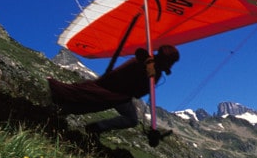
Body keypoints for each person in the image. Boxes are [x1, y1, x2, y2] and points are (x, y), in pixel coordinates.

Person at [48, 44, 179, 133]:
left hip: (120, 95)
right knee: (89, 105)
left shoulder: (150, 67)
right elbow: (136, 90)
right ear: (166, 60)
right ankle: (62, 113)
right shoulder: (144, 64)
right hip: (115, 92)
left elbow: (139, 91)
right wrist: (149, 73)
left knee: (92, 105)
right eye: (171, 62)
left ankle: (91, 125)